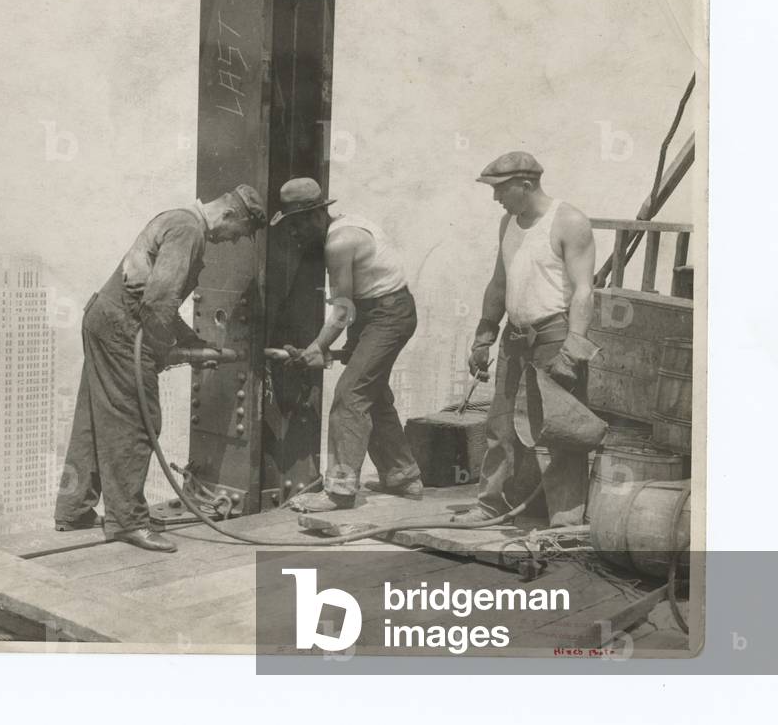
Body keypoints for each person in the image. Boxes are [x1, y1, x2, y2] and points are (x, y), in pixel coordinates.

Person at [53, 185, 267, 552]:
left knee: (93, 419)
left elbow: (155, 298)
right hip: (122, 329)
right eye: (239, 234)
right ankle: (128, 522)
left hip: (104, 319)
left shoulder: (177, 220)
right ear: (231, 215)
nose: (232, 243)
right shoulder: (190, 230)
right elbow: (158, 301)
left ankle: (74, 510)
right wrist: (165, 352)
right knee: (137, 419)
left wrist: (195, 345)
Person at [452, 151, 598, 527]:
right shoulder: (508, 224)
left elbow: (584, 291)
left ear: (526, 184)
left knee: (561, 432)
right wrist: (483, 337)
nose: (496, 198)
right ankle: (491, 505)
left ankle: (565, 522)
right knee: (500, 428)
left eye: (501, 189)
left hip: (554, 339)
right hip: (514, 340)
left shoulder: (570, 222)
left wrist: (574, 349)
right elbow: (500, 282)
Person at [272, 178, 423, 512]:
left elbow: (343, 310)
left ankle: (339, 491)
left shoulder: (339, 243)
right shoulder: (345, 225)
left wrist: (317, 347)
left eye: (296, 225)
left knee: (349, 397)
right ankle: (403, 476)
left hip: (387, 315)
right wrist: (321, 346)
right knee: (373, 394)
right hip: (380, 312)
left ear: (315, 217)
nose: (294, 234)